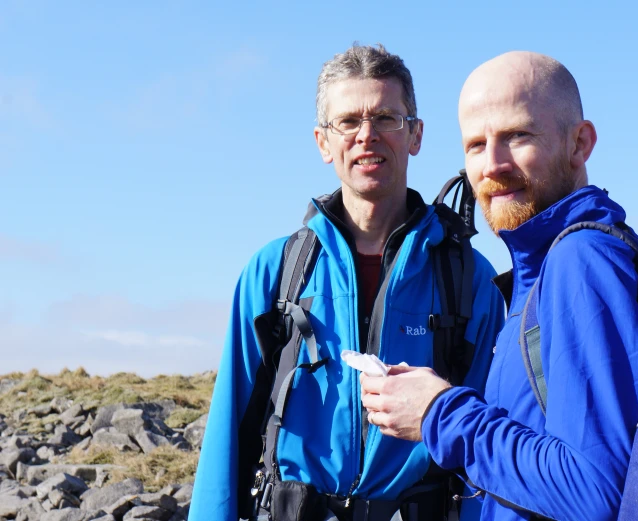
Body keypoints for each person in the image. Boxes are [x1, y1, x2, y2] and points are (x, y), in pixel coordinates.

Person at [189, 43, 504, 521]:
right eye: (348, 122)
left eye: (386, 119)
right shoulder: (275, 272)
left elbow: (490, 438)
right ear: (322, 141)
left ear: (415, 135)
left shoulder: (468, 278)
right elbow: (228, 433)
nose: (366, 136)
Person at [361, 51, 638, 521]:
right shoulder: (539, 271)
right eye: (476, 145)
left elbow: (594, 492)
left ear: (579, 143)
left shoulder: (580, 261)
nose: (492, 165)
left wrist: (438, 412)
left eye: (517, 135)